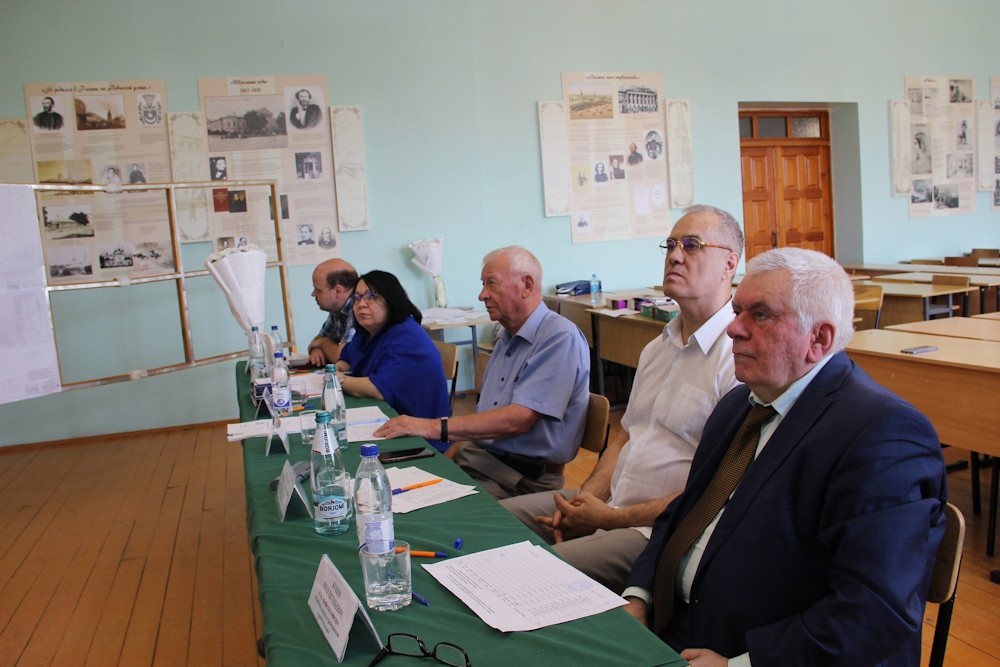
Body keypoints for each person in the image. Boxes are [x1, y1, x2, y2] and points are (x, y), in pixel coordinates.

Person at [623, 247, 947, 666]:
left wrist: (741, 664)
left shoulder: (884, 435)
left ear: (819, 339)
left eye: (760, 315)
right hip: (673, 628)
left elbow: (875, 609)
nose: (733, 329)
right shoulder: (739, 405)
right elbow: (683, 514)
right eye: (737, 311)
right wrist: (640, 596)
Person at [501, 205, 743, 593]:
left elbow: (714, 492)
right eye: (670, 245)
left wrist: (610, 519)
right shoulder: (656, 348)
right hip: (613, 502)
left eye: (692, 245)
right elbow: (626, 435)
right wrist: (583, 503)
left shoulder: (737, 358)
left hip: (659, 531)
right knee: (490, 522)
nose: (675, 255)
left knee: (526, 577)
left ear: (729, 264)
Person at [374, 246, 590, 499]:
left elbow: (518, 420)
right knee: (387, 488)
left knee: (425, 507)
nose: (482, 294)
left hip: (521, 479)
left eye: (491, 283)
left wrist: (431, 427)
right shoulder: (506, 336)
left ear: (527, 285)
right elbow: (485, 420)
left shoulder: (559, 337)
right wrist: (445, 461)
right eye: (483, 284)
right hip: (480, 459)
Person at [336, 271, 451, 451]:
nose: (361, 304)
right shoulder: (367, 332)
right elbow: (346, 358)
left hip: (422, 438)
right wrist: (340, 367)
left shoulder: (407, 336)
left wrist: (338, 379)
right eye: (357, 298)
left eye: (371, 296)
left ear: (391, 300)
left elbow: (378, 389)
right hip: (386, 421)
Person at [307, 258, 358, 367]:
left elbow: (342, 357)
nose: (313, 294)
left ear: (338, 291)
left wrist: (323, 343)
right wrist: (316, 350)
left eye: (318, 290)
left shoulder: (356, 308)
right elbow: (315, 342)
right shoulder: (337, 309)